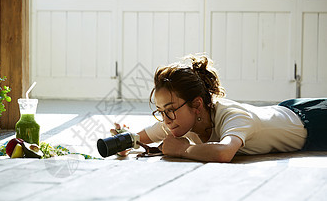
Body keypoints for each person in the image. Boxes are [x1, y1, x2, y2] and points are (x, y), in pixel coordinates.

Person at [112, 54, 327, 162]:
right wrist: (125, 142)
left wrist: (181, 150)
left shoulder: (233, 117)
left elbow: (224, 152)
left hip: (315, 122)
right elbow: (138, 137)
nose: (165, 119)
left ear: (197, 105)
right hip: (286, 110)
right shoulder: (178, 120)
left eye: (170, 109)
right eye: (160, 111)